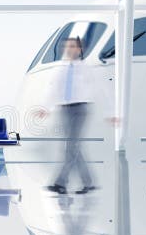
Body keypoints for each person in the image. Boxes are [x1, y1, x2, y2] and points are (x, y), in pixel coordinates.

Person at [36, 37, 114, 194]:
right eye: (67, 47)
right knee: (74, 147)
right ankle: (89, 182)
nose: (69, 49)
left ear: (79, 50)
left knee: (71, 147)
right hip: (63, 109)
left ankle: (60, 183)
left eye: (72, 46)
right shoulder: (61, 68)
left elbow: (101, 90)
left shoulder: (86, 69)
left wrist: (109, 112)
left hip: (80, 109)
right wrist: (46, 108)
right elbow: (53, 89)